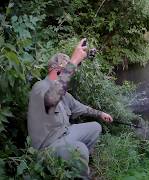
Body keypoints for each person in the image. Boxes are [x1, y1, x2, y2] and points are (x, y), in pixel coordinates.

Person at [27, 39, 113, 178]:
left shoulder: (64, 94)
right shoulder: (40, 87)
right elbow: (51, 99)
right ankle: (80, 175)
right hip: (48, 148)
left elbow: (80, 107)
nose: (71, 73)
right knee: (80, 149)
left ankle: (77, 167)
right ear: (57, 70)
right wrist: (73, 61)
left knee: (95, 127)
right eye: (65, 70)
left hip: (65, 134)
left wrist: (100, 113)